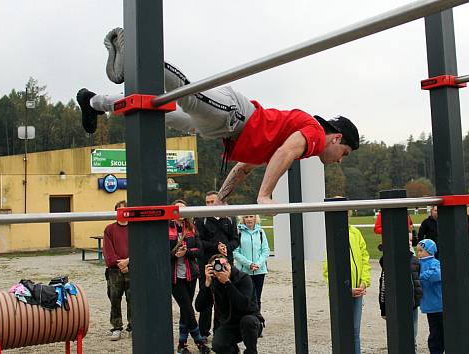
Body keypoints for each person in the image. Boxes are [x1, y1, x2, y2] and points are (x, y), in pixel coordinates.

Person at [76, 27, 360, 206]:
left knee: (154, 111)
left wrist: (220, 200)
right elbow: (285, 154)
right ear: (336, 137)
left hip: (221, 129)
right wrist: (265, 196)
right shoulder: (311, 133)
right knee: (187, 94)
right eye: (344, 152)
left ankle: (93, 101)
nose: (339, 160)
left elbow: (242, 168)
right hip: (233, 116)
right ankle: (138, 54)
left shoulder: (280, 142)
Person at [194, 191, 240, 338]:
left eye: (212, 202)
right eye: (207, 202)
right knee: (207, 296)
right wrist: (216, 247)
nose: (209, 205)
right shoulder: (201, 219)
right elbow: (199, 242)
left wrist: (227, 247)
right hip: (206, 263)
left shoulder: (230, 218)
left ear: (220, 202)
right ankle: (203, 332)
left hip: (226, 263)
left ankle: (221, 330)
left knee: (224, 296)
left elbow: (235, 240)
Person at [195, 254, 262, 354]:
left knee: (248, 321)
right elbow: (199, 307)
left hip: (250, 322)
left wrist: (227, 283)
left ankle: (251, 351)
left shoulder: (243, 278)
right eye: (217, 266)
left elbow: (244, 305)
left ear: (230, 265)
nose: (221, 268)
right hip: (228, 324)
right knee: (218, 345)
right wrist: (207, 284)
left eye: (224, 265)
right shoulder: (213, 281)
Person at [322, 219, 371, 354]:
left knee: (355, 332)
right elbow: (328, 270)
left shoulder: (356, 233)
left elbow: (365, 258)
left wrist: (364, 282)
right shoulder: (333, 235)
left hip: (358, 291)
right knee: (342, 331)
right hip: (341, 294)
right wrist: (344, 290)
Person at [169, 200, 211, 354]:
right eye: (178, 210)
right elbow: (160, 254)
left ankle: (182, 344)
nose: (181, 213)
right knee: (188, 308)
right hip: (174, 277)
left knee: (185, 310)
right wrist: (175, 254)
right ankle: (199, 341)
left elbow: (199, 252)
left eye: (184, 210)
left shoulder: (192, 228)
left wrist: (186, 252)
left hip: (190, 275)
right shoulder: (165, 228)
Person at [102, 200, 131, 341]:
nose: (122, 212)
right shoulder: (109, 229)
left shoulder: (135, 228)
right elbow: (108, 253)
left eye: (125, 210)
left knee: (133, 299)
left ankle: (133, 326)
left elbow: (140, 248)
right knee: (114, 299)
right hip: (114, 271)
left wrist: (128, 261)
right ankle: (116, 327)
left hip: (133, 269)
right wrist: (120, 263)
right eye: (119, 210)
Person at [233, 215, 270, 311]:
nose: (249, 219)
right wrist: (248, 264)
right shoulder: (238, 232)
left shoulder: (261, 232)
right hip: (244, 271)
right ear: (243, 219)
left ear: (255, 218)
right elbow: (235, 252)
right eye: (246, 217)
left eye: (251, 216)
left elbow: (265, 251)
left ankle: (257, 321)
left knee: (257, 298)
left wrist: (258, 264)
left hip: (259, 271)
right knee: (246, 297)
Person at [417, 239, 444, 354]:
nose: (418, 253)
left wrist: (421, 276)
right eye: (417, 251)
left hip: (439, 304)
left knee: (441, 329)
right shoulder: (418, 263)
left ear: (429, 251)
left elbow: (437, 275)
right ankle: (435, 350)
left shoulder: (434, 262)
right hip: (429, 305)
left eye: (421, 251)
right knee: (434, 330)